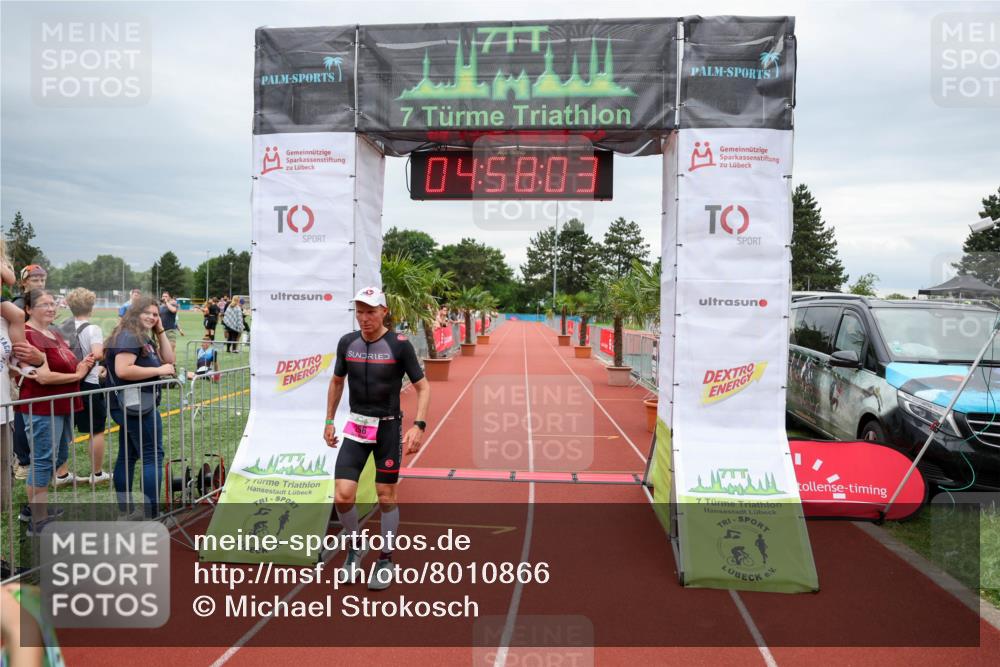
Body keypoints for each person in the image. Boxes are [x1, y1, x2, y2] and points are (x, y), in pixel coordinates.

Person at [324, 286, 430, 591]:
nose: (364, 318)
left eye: (370, 311)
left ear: (384, 311)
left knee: (386, 496)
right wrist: (329, 420)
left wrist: (418, 425)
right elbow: (336, 381)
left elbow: (423, 387)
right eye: (359, 311)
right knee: (343, 495)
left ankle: (385, 558)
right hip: (356, 427)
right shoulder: (348, 342)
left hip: (387, 428)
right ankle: (355, 549)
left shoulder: (399, 345)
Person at [17, 289, 97, 534]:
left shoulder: (53, 332)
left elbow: (67, 361)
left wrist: (82, 365)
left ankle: (34, 508)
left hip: (62, 404)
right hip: (41, 406)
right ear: (29, 309)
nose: (51, 308)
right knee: (43, 460)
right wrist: (77, 374)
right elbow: (43, 377)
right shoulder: (26, 335)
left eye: (53, 304)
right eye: (44, 304)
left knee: (59, 456)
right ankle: (37, 520)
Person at [104, 295, 175, 519]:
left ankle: (128, 512)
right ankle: (152, 514)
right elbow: (124, 370)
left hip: (133, 405)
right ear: (135, 313)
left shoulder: (140, 336)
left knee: (128, 456)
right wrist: (159, 371)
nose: (153, 317)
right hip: (135, 406)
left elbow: (169, 359)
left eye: (156, 314)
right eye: (149, 313)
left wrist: (160, 329)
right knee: (152, 456)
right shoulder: (128, 336)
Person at [63, 288, 110, 485]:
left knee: (64, 430)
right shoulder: (93, 329)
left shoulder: (60, 327)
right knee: (96, 430)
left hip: (66, 384)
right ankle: (97, 473)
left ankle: (61, 473)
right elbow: (98, 353)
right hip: (88, 384)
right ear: (90, 307)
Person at [10, 264, 48, 481]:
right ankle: (23, 461)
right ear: (24, 282)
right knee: (22, 411)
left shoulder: (37, 301)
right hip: (20, 365)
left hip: (31, 361)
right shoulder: (19, 304)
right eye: (35, 279)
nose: (40, 283)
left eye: (42, 279)